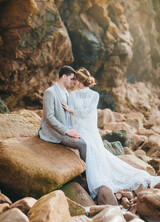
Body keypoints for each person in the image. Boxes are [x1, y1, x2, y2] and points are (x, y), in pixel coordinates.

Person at [62, 67, 160, 199]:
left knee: (96, 153)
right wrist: (68, 128)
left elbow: (89, 112)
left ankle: (96, 180)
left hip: (89, 129)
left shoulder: (94, 95)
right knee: (90, 151)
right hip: (77, 128)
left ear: (80, 80)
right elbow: (69, 116)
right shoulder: (72, 95)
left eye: (75, 79)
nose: (73, 82)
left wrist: (72, 111)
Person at [38, 66, 87, 162]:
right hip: (54, 131)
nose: (73, 82)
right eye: (72, 79)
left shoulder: (66, 93)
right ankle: (85, 173)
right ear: (64, 76)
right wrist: (66, 131)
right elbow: (49, 117)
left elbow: (67, 115)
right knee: (83, 144)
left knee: (86, 138)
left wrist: (73, 130)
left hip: (66, 127)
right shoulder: (50, 92)